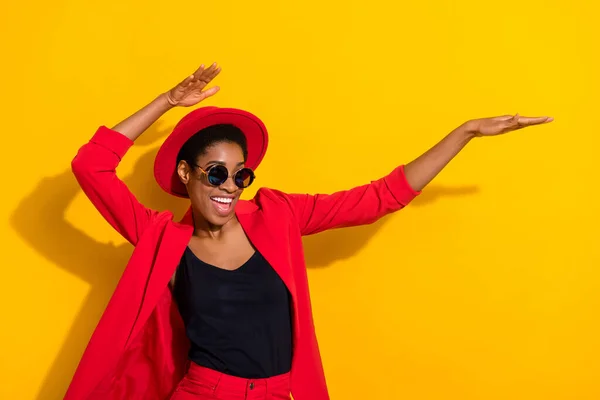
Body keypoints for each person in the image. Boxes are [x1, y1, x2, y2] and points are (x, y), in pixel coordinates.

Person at [64, 62, 553, 400]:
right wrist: (168, 101)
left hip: (279, 391)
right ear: (187, 175)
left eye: (241, 175)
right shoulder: (160, 237)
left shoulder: (277, 216)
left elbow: (380, 197)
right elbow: (91, 166)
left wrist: (463, 133)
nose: (229, 187)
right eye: (215, 173)